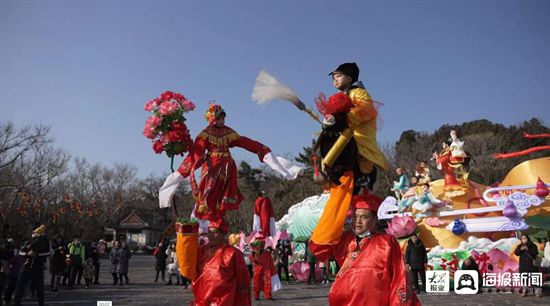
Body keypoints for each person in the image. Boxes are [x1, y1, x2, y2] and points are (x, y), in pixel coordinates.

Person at [311, 62, 389, 248]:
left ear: (349, 77)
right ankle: (335, 235)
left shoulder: (359, 93)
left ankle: (336, 236)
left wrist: (338, 119)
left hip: (358, 149)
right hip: (344, 150)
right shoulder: (340, 96)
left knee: (352, 196)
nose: (334, 79)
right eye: (333, 77)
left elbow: (362, 113)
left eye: (337, 75)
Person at [310, 193, 420, 305]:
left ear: (375, 219)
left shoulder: (387, 242)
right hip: (347, 301)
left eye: (364, 217)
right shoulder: (344, 239)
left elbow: (398, 275)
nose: (358, 221)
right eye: (355, 217)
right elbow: (319, 248)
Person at [168, 103, 272, 222]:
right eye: (219, 118)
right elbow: (196, 153)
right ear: (212, 119)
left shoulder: (228, 132)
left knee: (224, 192)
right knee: (209, 192)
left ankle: (218, 220)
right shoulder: (205, 134)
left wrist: (260, 149)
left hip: (227, 167)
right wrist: (181, 172)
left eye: (223, 118)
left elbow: (243, 141)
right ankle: (205, 218)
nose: (222, 121)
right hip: (212, 167)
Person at [186, 218, 252, 305]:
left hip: (223, 301)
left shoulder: (232, 253)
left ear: (223, 233)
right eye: (209, 232)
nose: (211, 235)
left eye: (215, 232)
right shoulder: (201, 251)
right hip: (202, 300)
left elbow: (243, 280)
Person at [13, 225, 51, 306]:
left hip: (38, 267)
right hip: (26, 266)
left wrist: (37, 254)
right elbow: (20, 252)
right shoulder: (30, 241)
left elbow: (49, 252)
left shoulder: (46, 241)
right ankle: (16, 303)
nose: (34, 233)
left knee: (40, 290)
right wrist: (27, 254)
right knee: (19, 287)